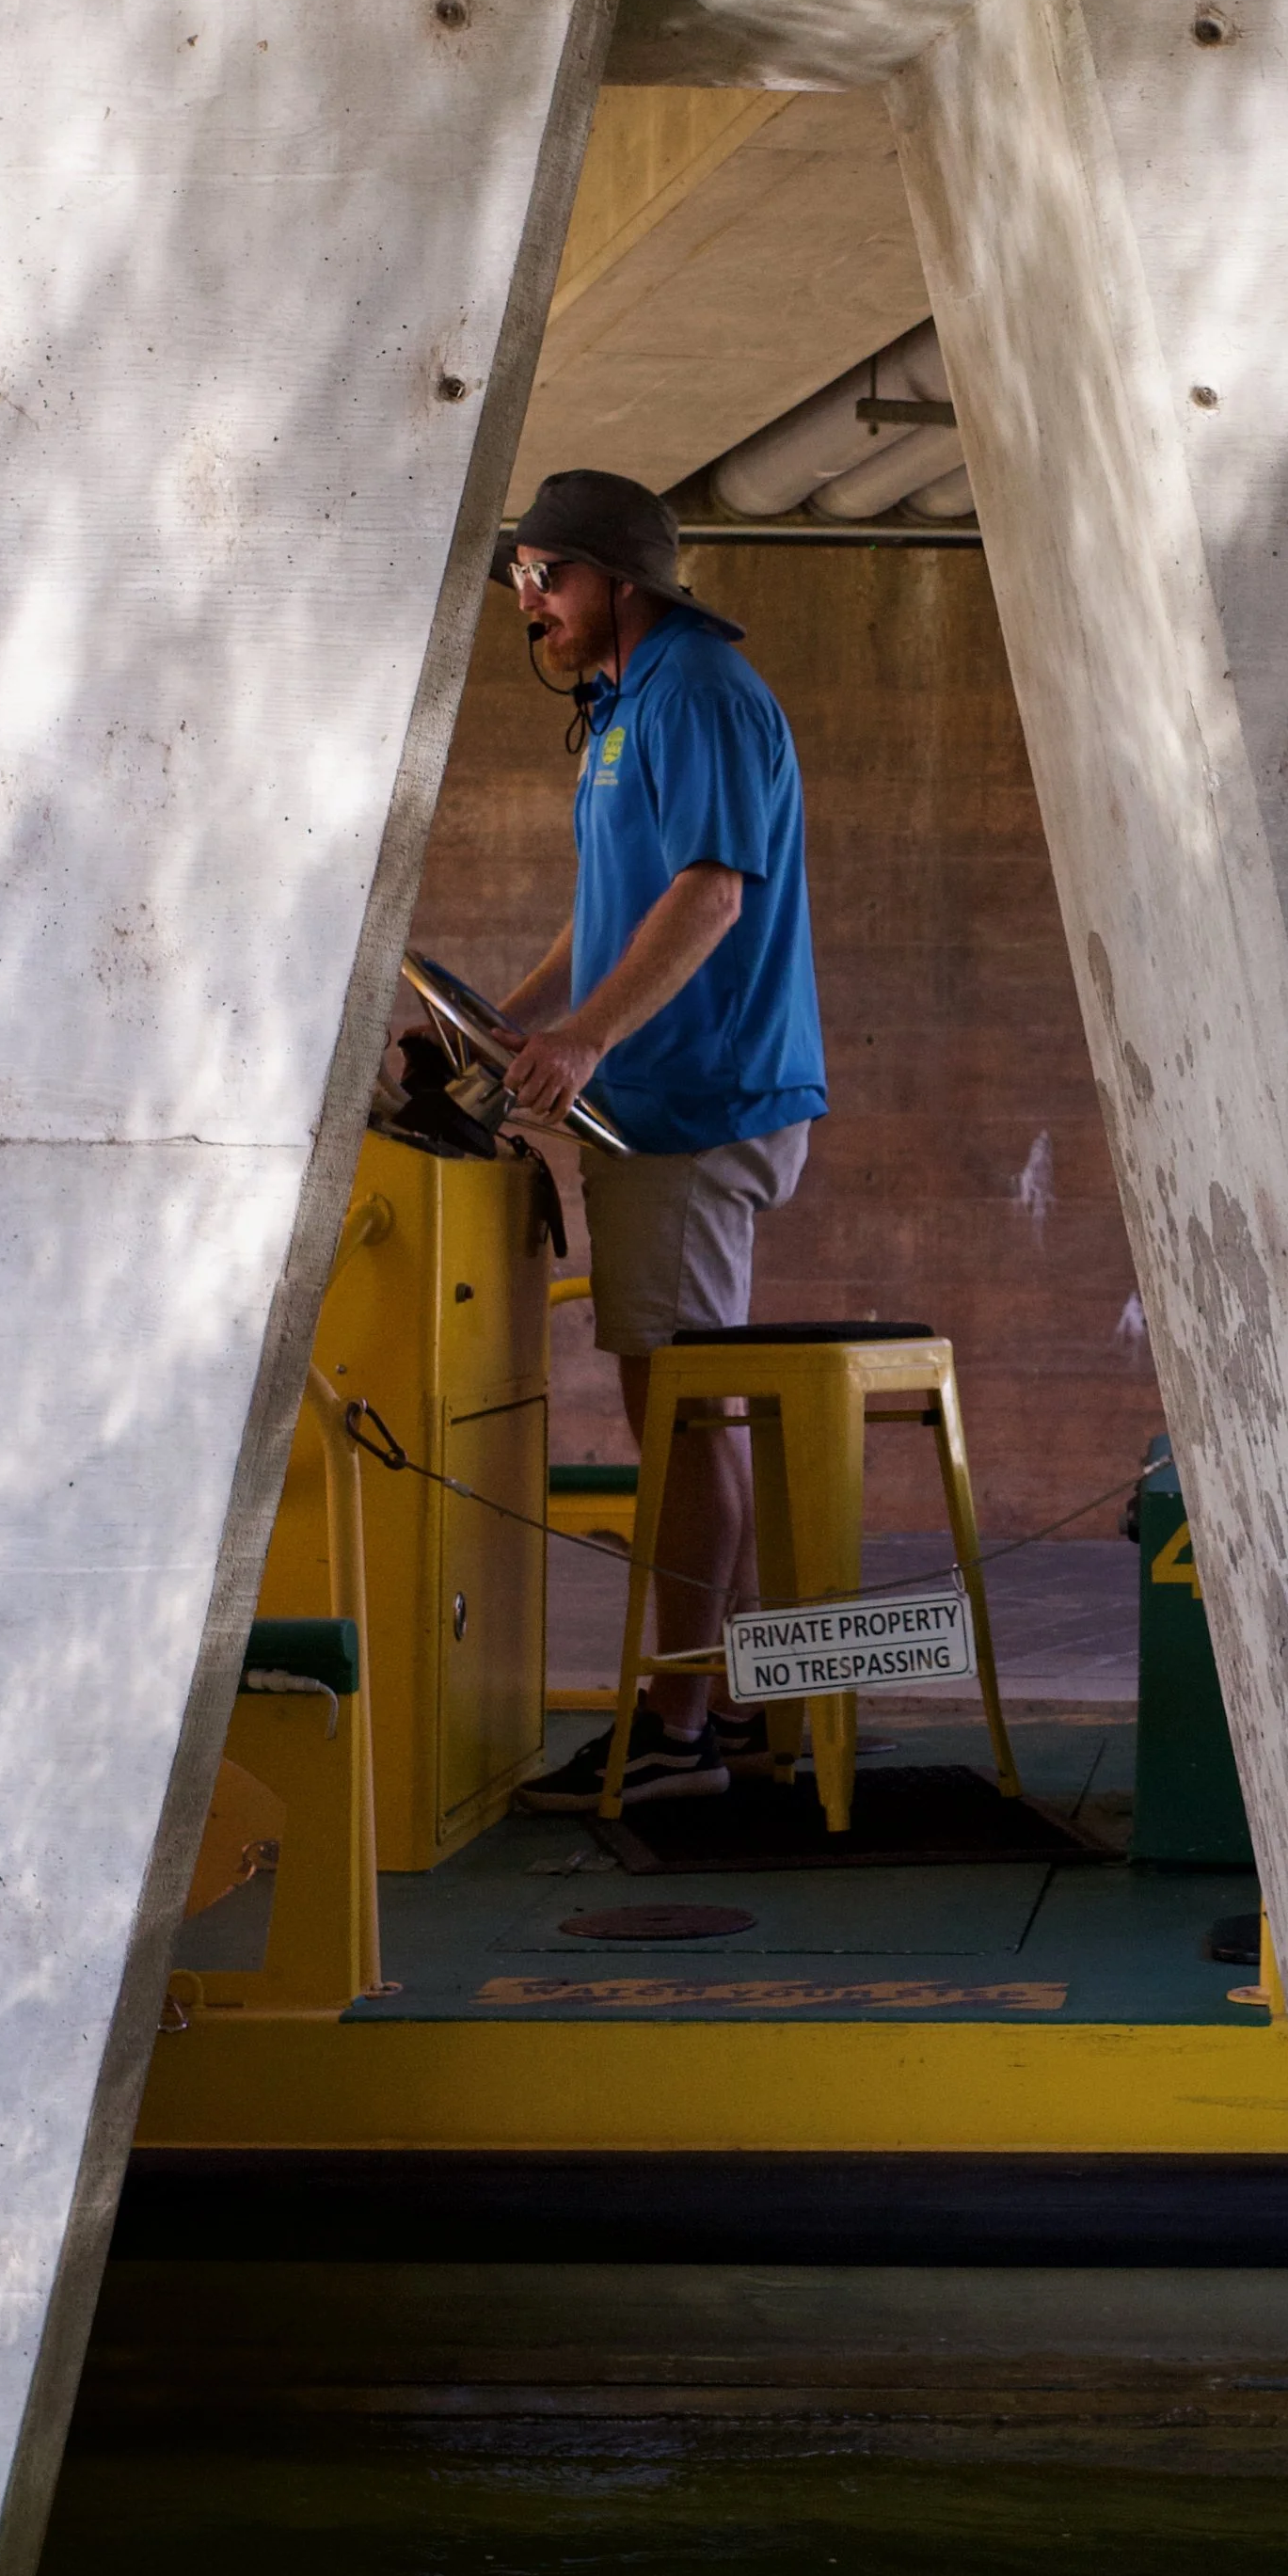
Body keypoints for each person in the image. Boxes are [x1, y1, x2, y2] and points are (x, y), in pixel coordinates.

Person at [479, 469, 825, 1805]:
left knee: (683, 1421)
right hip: (652, 1106)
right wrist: (502, 1022)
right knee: (682, 1413)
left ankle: (679, 1727)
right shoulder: (627, 704)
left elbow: (709, 898)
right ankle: (726, 1703)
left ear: (621, 581)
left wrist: (588, 1042)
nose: (530, 602)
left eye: (547, 576)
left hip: (695, 1103)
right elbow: (613, 911)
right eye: (521, 578)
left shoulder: (697, 690)